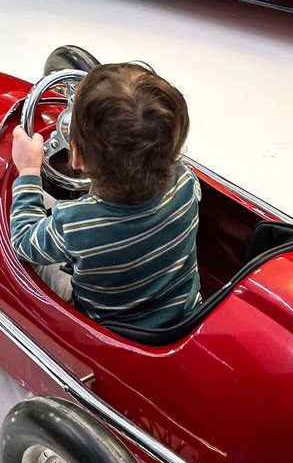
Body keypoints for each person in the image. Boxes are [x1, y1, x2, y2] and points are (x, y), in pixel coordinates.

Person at [10, 62, 201, 330]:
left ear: (75, 155)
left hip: (106, 324)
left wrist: (28, 170)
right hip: (183, 311)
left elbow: (22, 241)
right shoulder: (186, 180)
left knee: (26, 252)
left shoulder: (74, 224)